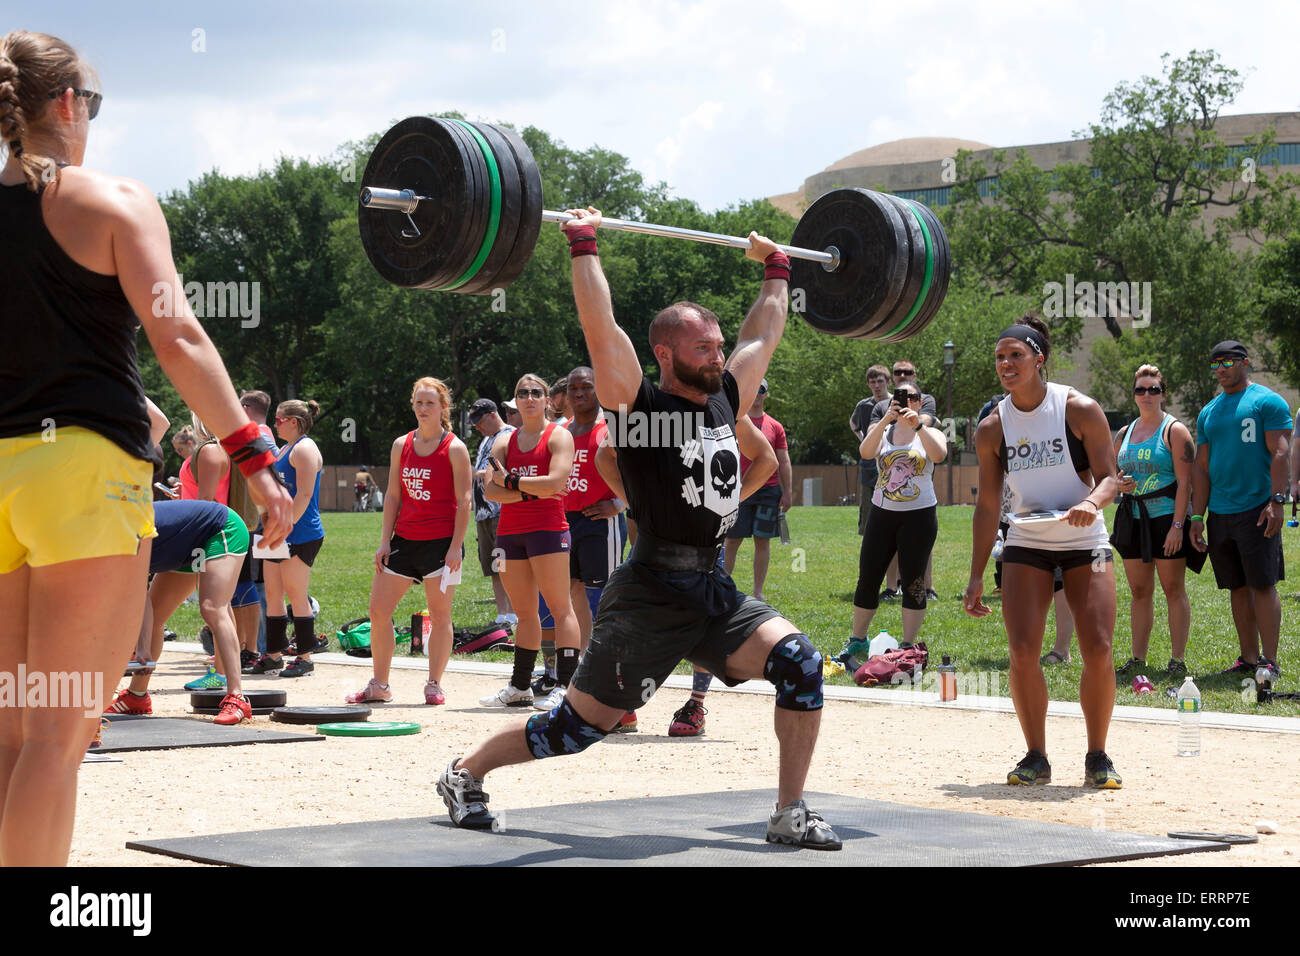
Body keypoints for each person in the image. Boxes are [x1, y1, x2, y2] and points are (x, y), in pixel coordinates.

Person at [436, 207, 841, 850]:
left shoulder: (723, 397)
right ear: (664, 353)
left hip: (710, 590)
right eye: (702, 348)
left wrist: (776, 267)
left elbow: (762, 335)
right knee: (574, 731)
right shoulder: (636, 406)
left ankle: (789, 812)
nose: (716, 356)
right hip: (650, 596)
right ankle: (465, 773)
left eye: (716, 345)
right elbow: (601, 328)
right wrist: (583, 242)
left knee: (801, 664)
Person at [0, 29, 291, 865]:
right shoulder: (113, 201)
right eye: (91, 103)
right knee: (59, 737)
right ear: (67, 104)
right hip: (83, 473)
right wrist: (252, 454)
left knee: (13, 733)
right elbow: (179, 335)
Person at [964, 316, 1123, 789]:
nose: (1006, 364)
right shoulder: (993, 427)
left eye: (1016, 355)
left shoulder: (1078, 408)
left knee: (1097, 648)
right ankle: (1036, 755)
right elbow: (988, 505)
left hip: (1084, 538)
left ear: (1039, 359)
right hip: (1027, 540)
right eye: (999, 357)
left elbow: (1112, 478)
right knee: (1021, 650)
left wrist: (1091, 502)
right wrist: (975, 577)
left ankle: (1097, 755)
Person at [347, 378, 471, 705]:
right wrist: (384, 541)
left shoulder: (455, 448)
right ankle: (380, 685)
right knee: (378, 611)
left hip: (440, 544)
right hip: (404, 539)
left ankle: (434, 684)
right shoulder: (401, 444)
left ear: (443, 407)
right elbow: (392, 495)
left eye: (430, 403)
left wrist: (455, 547)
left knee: (440, 614)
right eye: (418, 402)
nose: (423, 408)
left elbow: (464, 501)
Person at [1191, 342, 1290, 685]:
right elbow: (1201, 468)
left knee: (1262, 585)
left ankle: (1271, 661)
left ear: (1245, 363)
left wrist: (1276, 500)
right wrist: (1196, 517)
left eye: (1228, 361)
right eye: (1215, 363)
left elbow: (1280, 452)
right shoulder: (1209, 412)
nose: (1221, 368)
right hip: (1220, 512)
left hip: (1257, 508)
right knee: (1236, 586)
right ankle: (1248, 658)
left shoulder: (1267, 401)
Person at [479, 373, 578, 713]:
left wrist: (512, 484)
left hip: (549, 530)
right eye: (523, 393)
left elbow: (556, 482)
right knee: (524, 613)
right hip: (510, 534)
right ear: (515, 401)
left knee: (560, 608)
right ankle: (520, 687)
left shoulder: (558, 435)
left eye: (537, 392)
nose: (530, 397)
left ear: (548, 399)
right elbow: (490, 490)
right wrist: (524, 489)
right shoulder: (505, 441)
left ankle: (565, 686)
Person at [105, 499, 254, 724]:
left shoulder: (119, 532)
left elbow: (135, 593)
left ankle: (238, 697)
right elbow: (141, 598)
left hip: (222, 528)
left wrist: (143, 649)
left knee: (213, 608)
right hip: (184, 546)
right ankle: (137, 696)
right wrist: (142, 651)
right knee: (157, 613)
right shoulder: (106, 539)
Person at [835, 380, 947, 670]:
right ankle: (858, 639)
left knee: (913, 581)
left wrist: (919, 427)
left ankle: (908, 644)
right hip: (882, 514)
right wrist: (887, 417)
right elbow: (864, 452)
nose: (906, 401)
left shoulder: (931, 432)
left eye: (912, 397)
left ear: (920, 403)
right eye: (901, 396)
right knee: (868, 577)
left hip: (919, 515)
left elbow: (939, 455)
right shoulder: (883, 431)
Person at [1110, 364, 1202, 682]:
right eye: (1140, 389)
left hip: (1166, 518)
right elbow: (1114, 474)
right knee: (1138, 590)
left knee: (1173, 588)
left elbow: (1185, 483)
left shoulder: (1174, 431)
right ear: (1134, 394)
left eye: (1153, 389)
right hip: (1133, 518)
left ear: (1163, 394)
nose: (1147, 395)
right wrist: (1119, 484)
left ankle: (1177, 659)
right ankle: (1138, 658)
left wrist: (1178, 526)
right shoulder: (1125, 432)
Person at [246, 399, 325, 677]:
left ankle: (304, 658)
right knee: (273, 594)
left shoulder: (305, 448)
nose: (275, 424)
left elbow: (303, 494)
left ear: (295, 421)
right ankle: (274, 655)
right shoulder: (285, 448)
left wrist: (285, 524)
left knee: (296, 594)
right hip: (277, 531)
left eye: (279, 420)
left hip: (300, 532)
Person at [562, 367, 627, 653]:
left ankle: (609, 657)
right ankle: (581, 654)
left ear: (598, 389)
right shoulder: (561, 431)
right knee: (573, 591)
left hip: (601, 523)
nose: (579, 393)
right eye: (573, 388)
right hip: (564, 521)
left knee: (603, 594)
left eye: (586, 386)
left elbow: (640, 474)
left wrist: (618, 504)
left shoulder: (612, 428)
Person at [869, 360, 939, 600]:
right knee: (889, 544)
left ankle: (926, 588)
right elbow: (870, 440)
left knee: (921, 542)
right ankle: (891, 587)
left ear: (915, 375)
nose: (901, 375)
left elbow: (928, 424)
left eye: (907, 372)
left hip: (917, 468)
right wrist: (889, 417)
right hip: (885, 481)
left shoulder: (925, 399)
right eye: (897, 372)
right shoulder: (882, 406)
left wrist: (912, 419)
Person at [723, 378, 790, 602]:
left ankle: (758, 591)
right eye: (754, 389)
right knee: (732, 540)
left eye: (761, 390)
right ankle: (723, 584)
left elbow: (784, 460)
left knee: (763, 541)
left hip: (768, 491)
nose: (758, 393)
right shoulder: (734, 422)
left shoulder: (775, 426)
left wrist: (787, 491)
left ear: (766, 394)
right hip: (738, 490)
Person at [468, 398, 516, 628]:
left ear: (492, 414)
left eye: (479, 421)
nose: (477, 426)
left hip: (502, 511)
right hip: (484, 514)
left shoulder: (509, 435)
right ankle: (502, 614)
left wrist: (475, 474)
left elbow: (502, 472)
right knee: (494, 567)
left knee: (508, 565)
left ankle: (515, 613)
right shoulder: (486, 440)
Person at [851, 365, 892, 534]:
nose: (876, 385)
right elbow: (853, 424)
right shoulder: (864, 405)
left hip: (892, 464)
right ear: (868, 384)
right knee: (868, 512)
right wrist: (864, 441)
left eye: (880, 381)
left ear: (889, 382)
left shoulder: (896, 403)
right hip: (869, 466)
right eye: (872, 382)